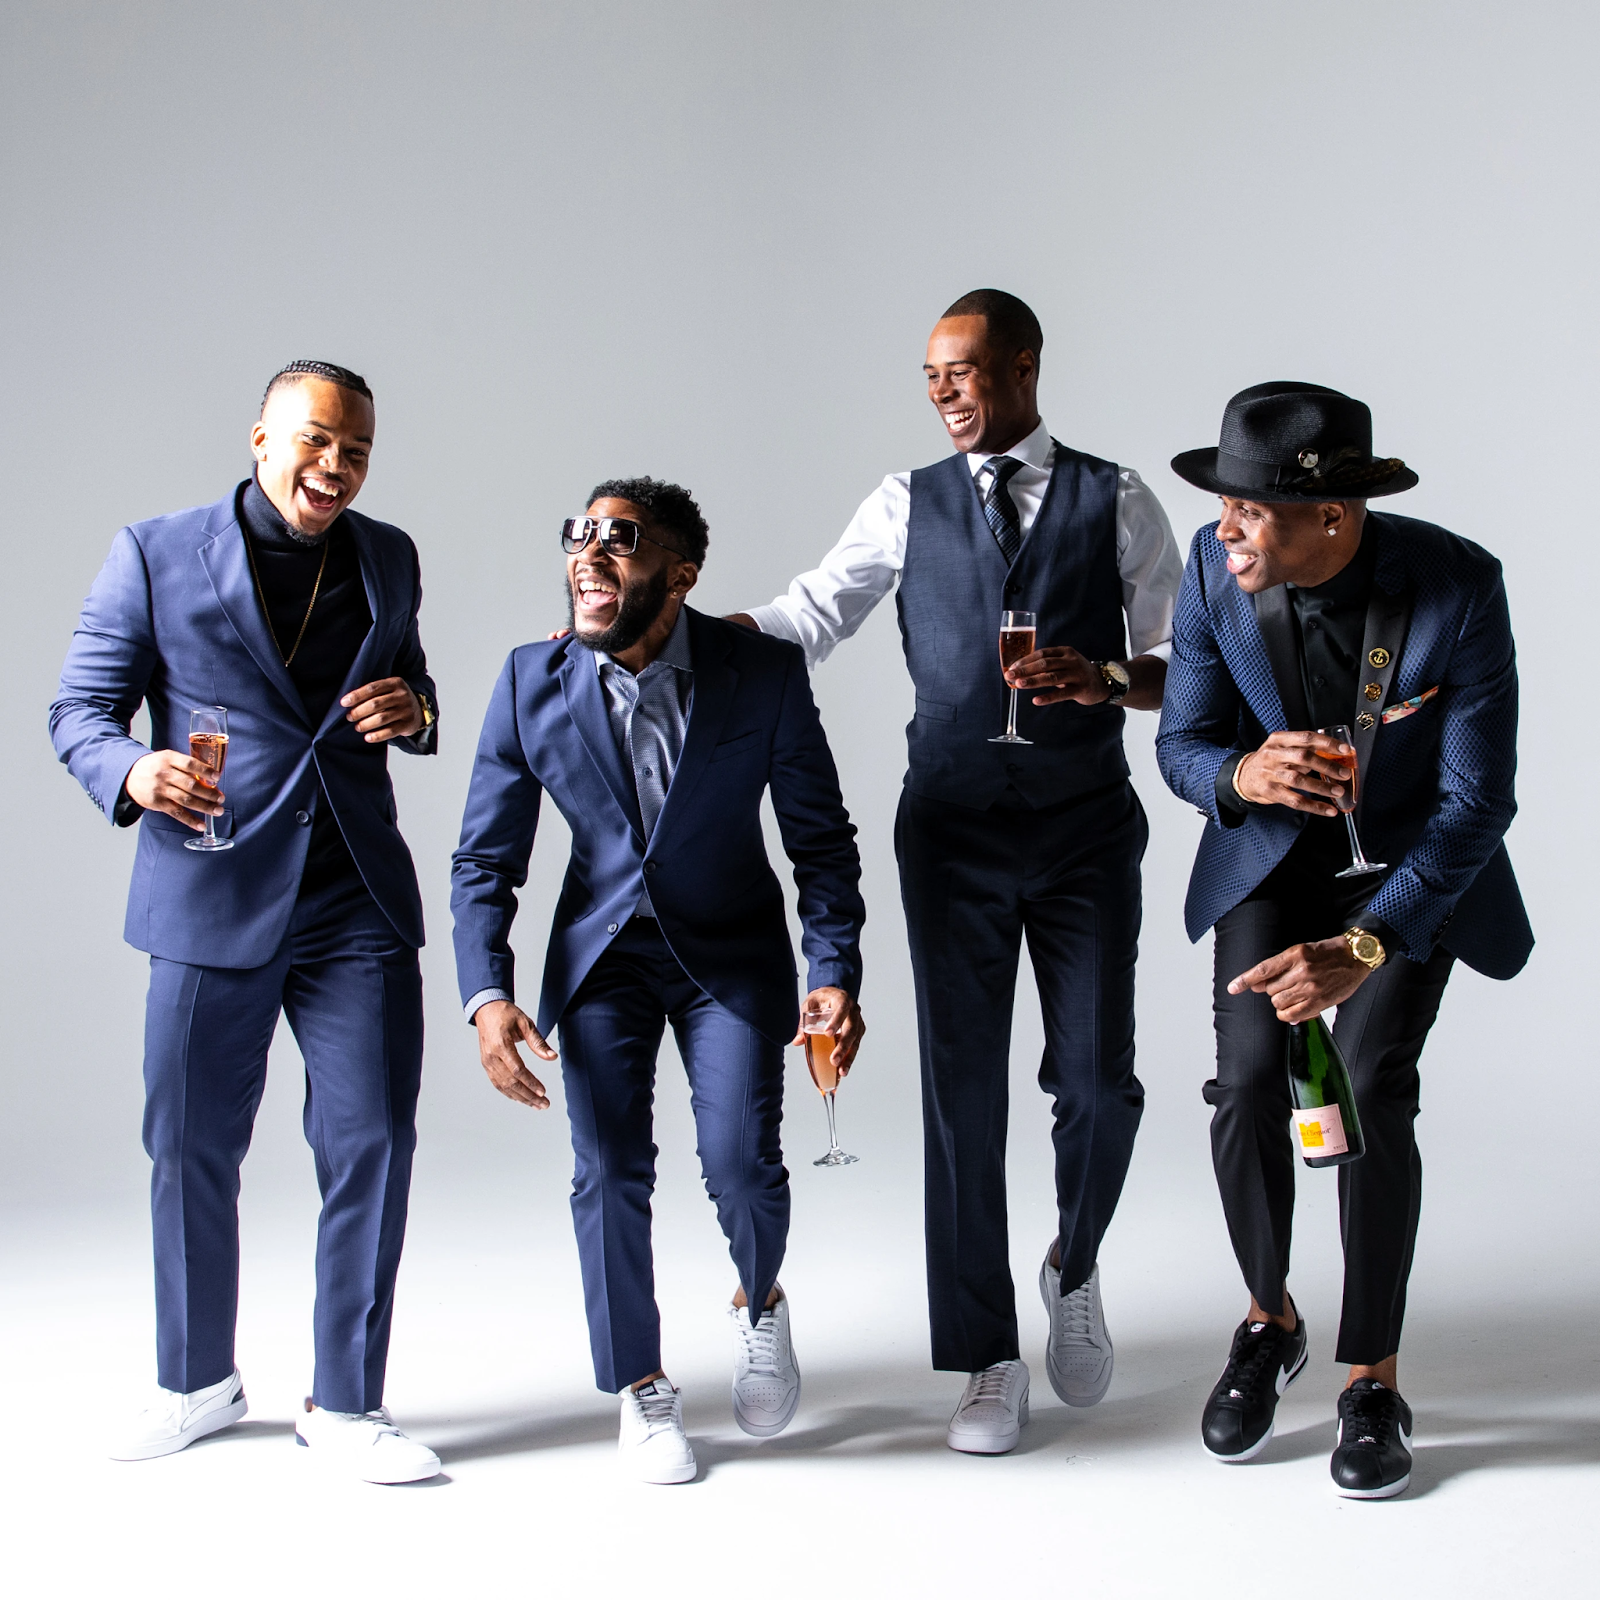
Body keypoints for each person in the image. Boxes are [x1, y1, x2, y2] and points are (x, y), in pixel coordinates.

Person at [729, 290, 1184, 1453]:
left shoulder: (1117, 495)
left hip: (1085, 828)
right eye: (930, 374)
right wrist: (693, 634)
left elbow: (1182, 662)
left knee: (1098, 1085)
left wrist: (1107, 681)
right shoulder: (906, 500)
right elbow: (810, 615)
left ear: (1024, 367)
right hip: (950, 831)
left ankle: (1073, 1259)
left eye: (962, 370)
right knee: (961, 1095)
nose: (941, 391)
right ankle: (985, 1354)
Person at [50, 361, 443, 1483]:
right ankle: (195, 1384)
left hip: (353, 894)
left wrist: (417, 710)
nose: (336, 466)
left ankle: (347, 1402)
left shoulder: (390, 556)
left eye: (357, 450)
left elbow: (411, 689)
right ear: (262, 437)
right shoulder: (153, 552)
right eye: (316, 439)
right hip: (211, 886)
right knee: (189, 1146)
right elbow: (78, 710)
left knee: (374, 1141)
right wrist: (134, 771)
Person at [1156, 381, 1532, 1498]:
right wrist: (1241, 774)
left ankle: (1372, 1378)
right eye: (1223, 503)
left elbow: (1476, 804)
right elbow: (1180, 743)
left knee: (1368, 1088)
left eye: (1251, 509)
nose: (1227, 528)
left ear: (1333, 514)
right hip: (1271, 864)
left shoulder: (1459, 587)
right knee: (1245, 1082)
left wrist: (1363, 948)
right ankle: (1268, 1321)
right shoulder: (1210, 569)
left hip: (1411, 877)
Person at [451, 477, 865, 1484]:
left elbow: (820, 841)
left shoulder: (760, 673)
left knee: (741, 1164)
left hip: (727, 952)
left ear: (680, 575)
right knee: (608, 1170)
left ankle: (760, 1301)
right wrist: (486, 993)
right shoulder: (529, 678)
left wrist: (833, 968)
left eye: (620, 540)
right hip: (602, 961)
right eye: (579, 535)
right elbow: (484, 859)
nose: (589, 555)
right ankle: (639, 1383)